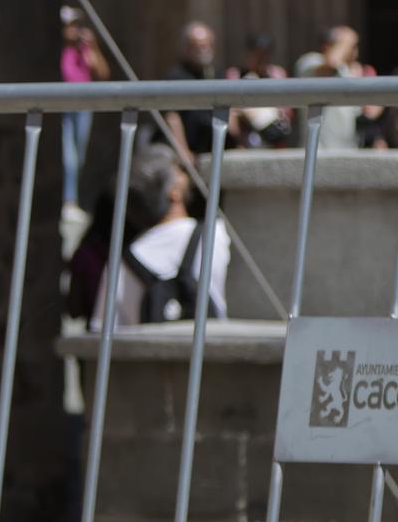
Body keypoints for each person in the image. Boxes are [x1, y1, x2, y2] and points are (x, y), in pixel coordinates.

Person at [94, 146, 231, 330]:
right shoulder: (216, 235)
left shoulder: (123, 262)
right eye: (180, 171)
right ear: (174, 192)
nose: (186, 176)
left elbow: (103, 331)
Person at [57, 6, 110, 204]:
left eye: (75, 25)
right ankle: (68, 199)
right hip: (62, 104)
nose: (73, 30)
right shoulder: (62, 49)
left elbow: (103, 74)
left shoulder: (84, 49)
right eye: (69, 25)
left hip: (82, 105)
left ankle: (73, 196)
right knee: (67, 156)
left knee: (78, 155)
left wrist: (93, 47)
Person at [226, 33, 291, 149]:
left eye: (265, 54)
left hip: (273, 137)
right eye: (257, 54)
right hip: (246, 138)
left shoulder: (277, 74)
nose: (262, 59)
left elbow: (286, 111)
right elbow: (230, 114)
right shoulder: (235, 74)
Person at [163, 21, 219, 155]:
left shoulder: (215, 74)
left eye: (207, 45)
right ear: (187, 48)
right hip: (181, 149)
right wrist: (184, 152)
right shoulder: (176, 75)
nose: (204, 50)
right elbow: (172, 116)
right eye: (198, 46)